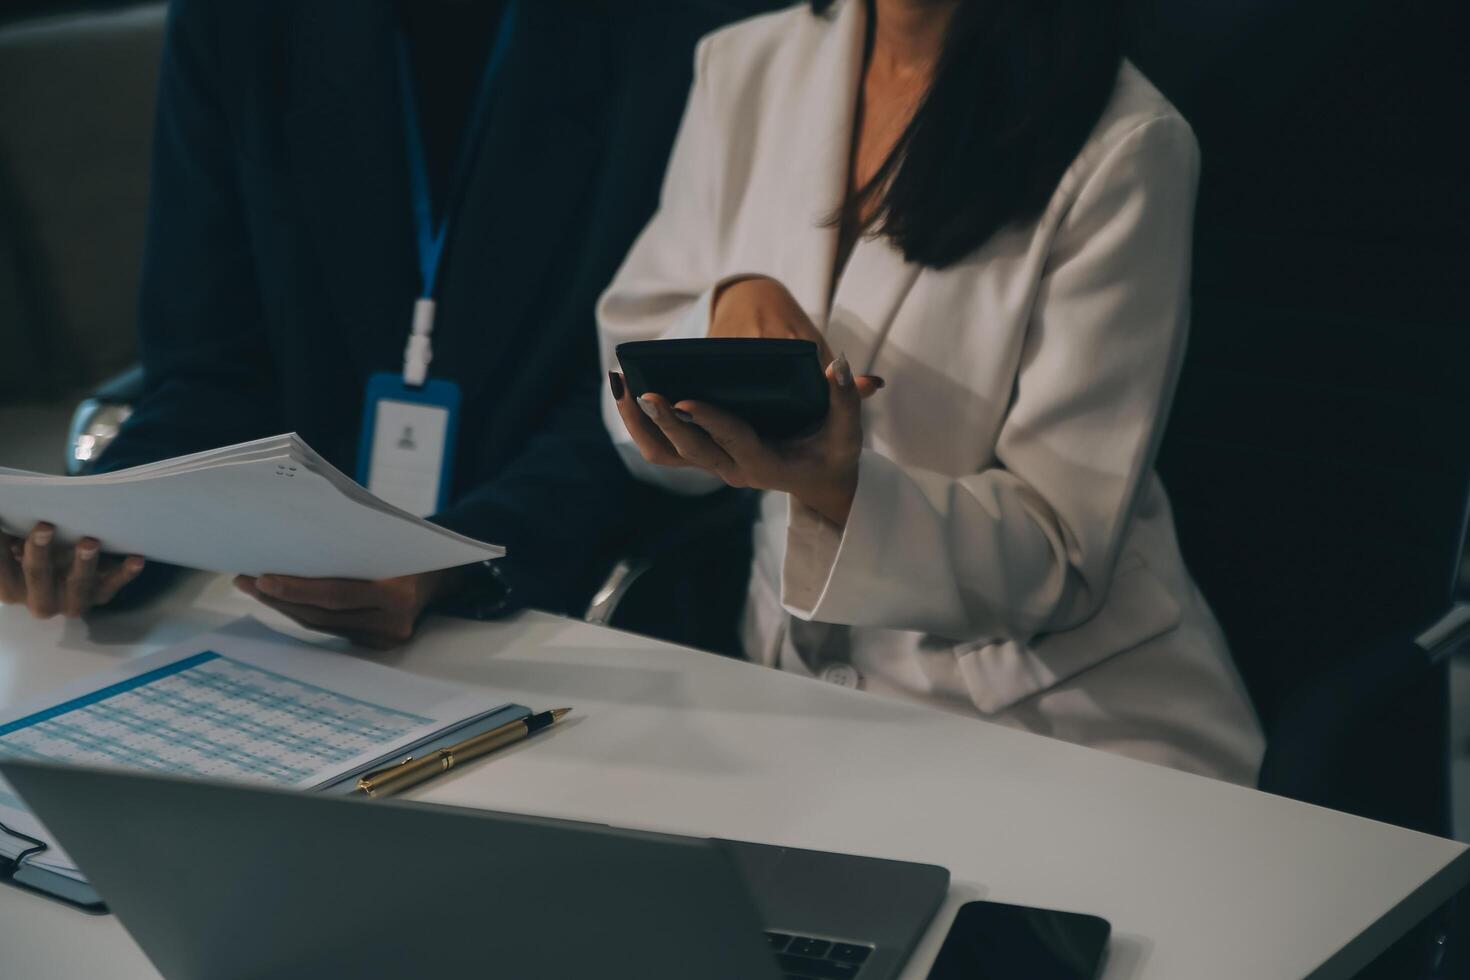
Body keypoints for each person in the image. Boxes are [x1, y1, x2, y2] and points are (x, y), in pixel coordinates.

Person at [600, 0, 1265, 782]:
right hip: (789, 707)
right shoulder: (744, 65)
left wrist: (838, 488)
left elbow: (1064, 557)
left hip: (1053, 729)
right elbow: (624, 355)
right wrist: (724, 303)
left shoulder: (1128, 143)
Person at [0, 0, 774, 647]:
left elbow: (635, 391)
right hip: (276, 598)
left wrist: (442, 566)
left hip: (558, 588)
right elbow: (211, 368)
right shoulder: (236, 20)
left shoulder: (692, 29)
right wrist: (102, 537)